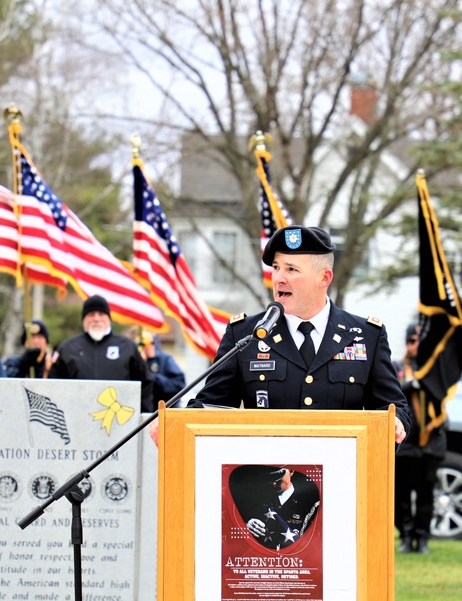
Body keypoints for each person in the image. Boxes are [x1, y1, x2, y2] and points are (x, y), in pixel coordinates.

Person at [150, 225, 409, 443]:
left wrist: (396, 422)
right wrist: (176, 422)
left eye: (291, 269)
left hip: (345, 482)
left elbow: (392, 407)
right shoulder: (246, 335)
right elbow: (213, 405)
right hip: (267, 485)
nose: (278, 278)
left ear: (324, 278)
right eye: (276, 268)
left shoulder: (366, 336)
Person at [394, 323, 447, 555]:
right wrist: (410, 384)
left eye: (420, 341)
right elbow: (391, 392)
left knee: (426, 494)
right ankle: (405, 535)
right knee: (401, 494)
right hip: (405, 442)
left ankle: (423, 537)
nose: (416, 346)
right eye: (412, 341)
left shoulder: (436, 370)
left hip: (430, 441)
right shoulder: (397, 367)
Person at [48, 295, 153, 413]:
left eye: (101, 314)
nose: (96, 319)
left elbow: (145, 384)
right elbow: (53, 386)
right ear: (83, 319)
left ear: (109, 318)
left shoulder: (128, 347)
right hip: (77, 419)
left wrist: (144, 418)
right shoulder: (68, 348)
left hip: (121, 420)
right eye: (91, 314)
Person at [229, 466, 320, 552]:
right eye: (269, 478)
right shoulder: (253, 499)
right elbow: (230, 528)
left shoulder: (310, 503)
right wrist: (245, 526)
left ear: (291, 471)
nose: (273, 483)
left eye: (277, 477)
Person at [131, 330, 186, 410]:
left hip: (165, 409)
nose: (149, 347)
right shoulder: (134, 363)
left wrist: (154, 377)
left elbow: (178, 385)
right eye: (144, 345)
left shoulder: (165, 360)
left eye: (151, 343)